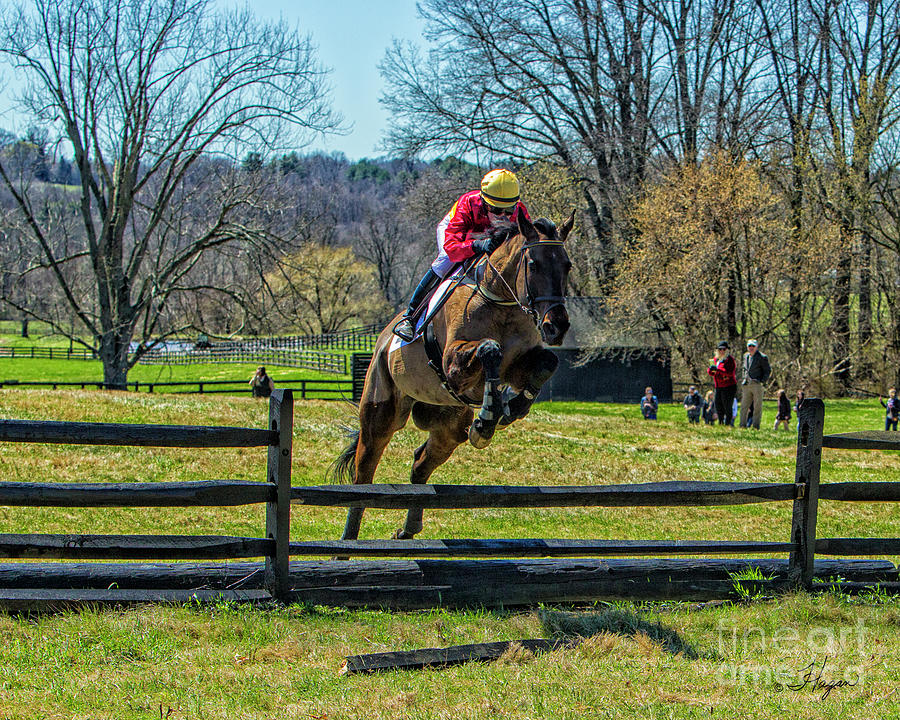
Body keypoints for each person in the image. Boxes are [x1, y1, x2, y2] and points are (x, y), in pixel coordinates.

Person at [393, 169, 530, 341]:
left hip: (486, 237)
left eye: (509, 210)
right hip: (459, 234)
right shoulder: (468, 203)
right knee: (445, 260)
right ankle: (410, 318)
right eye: (496, 210)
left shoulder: (520, 211)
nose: (503, 216)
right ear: (485, 203)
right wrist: (477, 245)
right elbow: (452, 247)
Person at [739, 339, 771, 430]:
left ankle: (755, 426)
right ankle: (742, 425)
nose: (751, 348)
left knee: (757, 407)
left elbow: (767, 371)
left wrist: (761, 381)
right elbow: (744, 369)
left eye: (753, 346)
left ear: (756, 347)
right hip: (746, 384)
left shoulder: (762, 357)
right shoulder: (745, 356)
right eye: (749, 346)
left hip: (757, 384)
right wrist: (744, 378)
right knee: (744, 406)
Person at [707, 341, 737, 426]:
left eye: (724, 349)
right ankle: (720, 423)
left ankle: (728, 424)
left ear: (727, 350)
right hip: (719, 386)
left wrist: (718, 370)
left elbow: (729, 373)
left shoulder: (729, 360)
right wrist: (710, 370)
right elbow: (712, 372)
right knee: (718, 404)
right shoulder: (716, 359)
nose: (722, 351)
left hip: (729, 386)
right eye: (720, 349)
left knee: (727, 405)